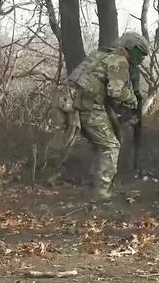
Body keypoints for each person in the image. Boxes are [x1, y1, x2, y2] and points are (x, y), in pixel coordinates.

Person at [62, 32, 149, 200]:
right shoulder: (119, 60)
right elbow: (116, 91)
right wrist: (131, 99)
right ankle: (100, 191)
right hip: (87, 105)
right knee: (110, 146)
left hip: (70, 102)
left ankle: (89, 187)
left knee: (98, 145)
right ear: (132, 48)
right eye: (141, 54)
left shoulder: (100, 54)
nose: (141, 59)